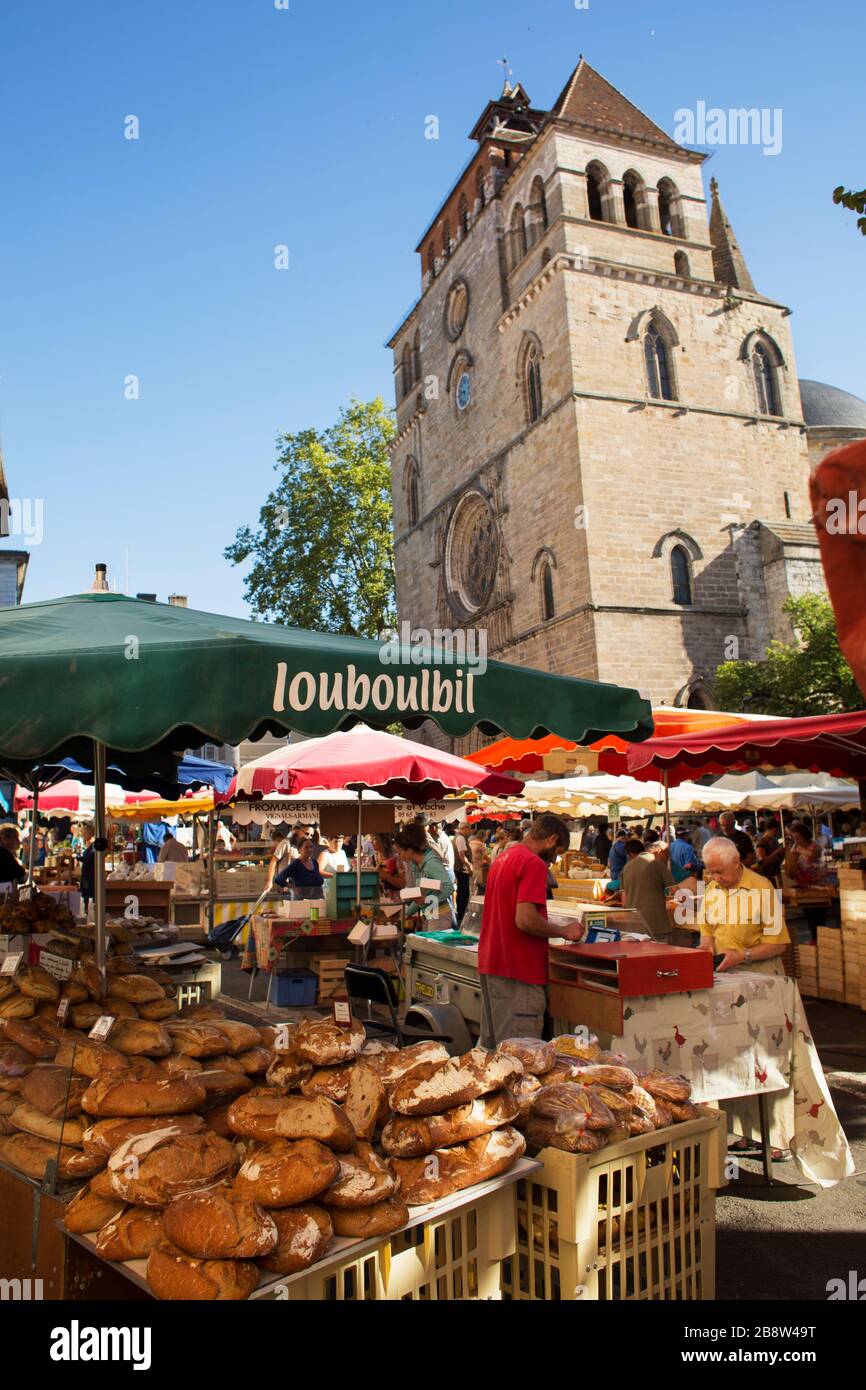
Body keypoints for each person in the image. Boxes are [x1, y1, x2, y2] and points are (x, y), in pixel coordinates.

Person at [477, 813, 584, 1047]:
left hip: (494, 964)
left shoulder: (505, 857)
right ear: (551, 838)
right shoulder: (533, 863)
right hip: (519, 969)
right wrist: (563, 931)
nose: (555, 860)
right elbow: (525, 919)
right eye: (558, 852)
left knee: (493, 1053)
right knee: (518, 1059)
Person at [698, 836, 789, 974]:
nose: (716, 878)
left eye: (720, 872)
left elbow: (778, 944)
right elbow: (706, 929)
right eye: (711, 872)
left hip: (758, 975)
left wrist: (743, 955)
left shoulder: (762, 887)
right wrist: (706, 944)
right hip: (723, 974)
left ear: (736, 862)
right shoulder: (712, 888)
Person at [392, 822, 456, 926]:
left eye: (400, 853)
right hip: (431, 914)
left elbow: (449, 887)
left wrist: (426, 900)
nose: (399, 857)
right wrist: (407, 913)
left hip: (439, 915)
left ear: (410, 850)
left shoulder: (431, 863)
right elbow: (422, 895)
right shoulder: (416, 864)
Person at [621, 837, 675, 942]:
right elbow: (675, 891)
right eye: (667, 854)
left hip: (634, 925)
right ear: (659, 851)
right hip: (656, 925)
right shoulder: (656, 863)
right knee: (660, 956)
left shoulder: (626, 867)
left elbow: (624, 901)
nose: (668, 858)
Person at [785, 821, 829, 942]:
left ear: (804, 835)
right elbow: (791, 863)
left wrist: (798, 850)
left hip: (818, 883)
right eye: (794, 837)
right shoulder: (795, 847)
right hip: (803, 884)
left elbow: (812, 856)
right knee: (808, 912)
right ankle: (814, 938)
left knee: (818, 913)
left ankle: (821, 938)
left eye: (798, 837)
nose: (796, 840)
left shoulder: (814, 846)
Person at [453, 821, 472, 923]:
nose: (470, 831)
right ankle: (462, 913)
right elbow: (462, 855)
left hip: (459, 868)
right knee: (463, 892)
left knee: (462, 891)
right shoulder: (460, 838)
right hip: (461, 869)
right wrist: (469, 866)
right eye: (469, 829)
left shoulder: (459, 837)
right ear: (465, 828)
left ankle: (461, 912)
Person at [0, 826, 27, 891]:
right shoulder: (4, 854)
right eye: (15, 837)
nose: (18, 840)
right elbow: (20, 873)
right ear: (6, 839)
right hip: (4, 890)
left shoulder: (5, 853)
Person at [467, 827, 490, 896]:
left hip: (470, 866)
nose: (486, 839)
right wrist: (491, 863)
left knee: (471, 885)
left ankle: (470, 899)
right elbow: (486, 856)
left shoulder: (471, 842)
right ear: (483, 836)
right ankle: (474, 901)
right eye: (486, 837)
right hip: (477, 867)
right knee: (477, 886)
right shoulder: (481, 845)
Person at [79, 824, 95, 915]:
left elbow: (90, 858)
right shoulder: (89, 844)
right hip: (86, 872)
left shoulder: (93, 845)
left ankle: (90, 911)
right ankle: (87, 910)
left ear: (89, 834)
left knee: (89, 892)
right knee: (86, 893)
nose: (82, 836)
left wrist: (79, 858)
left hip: (90, 873)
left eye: (84, 834)